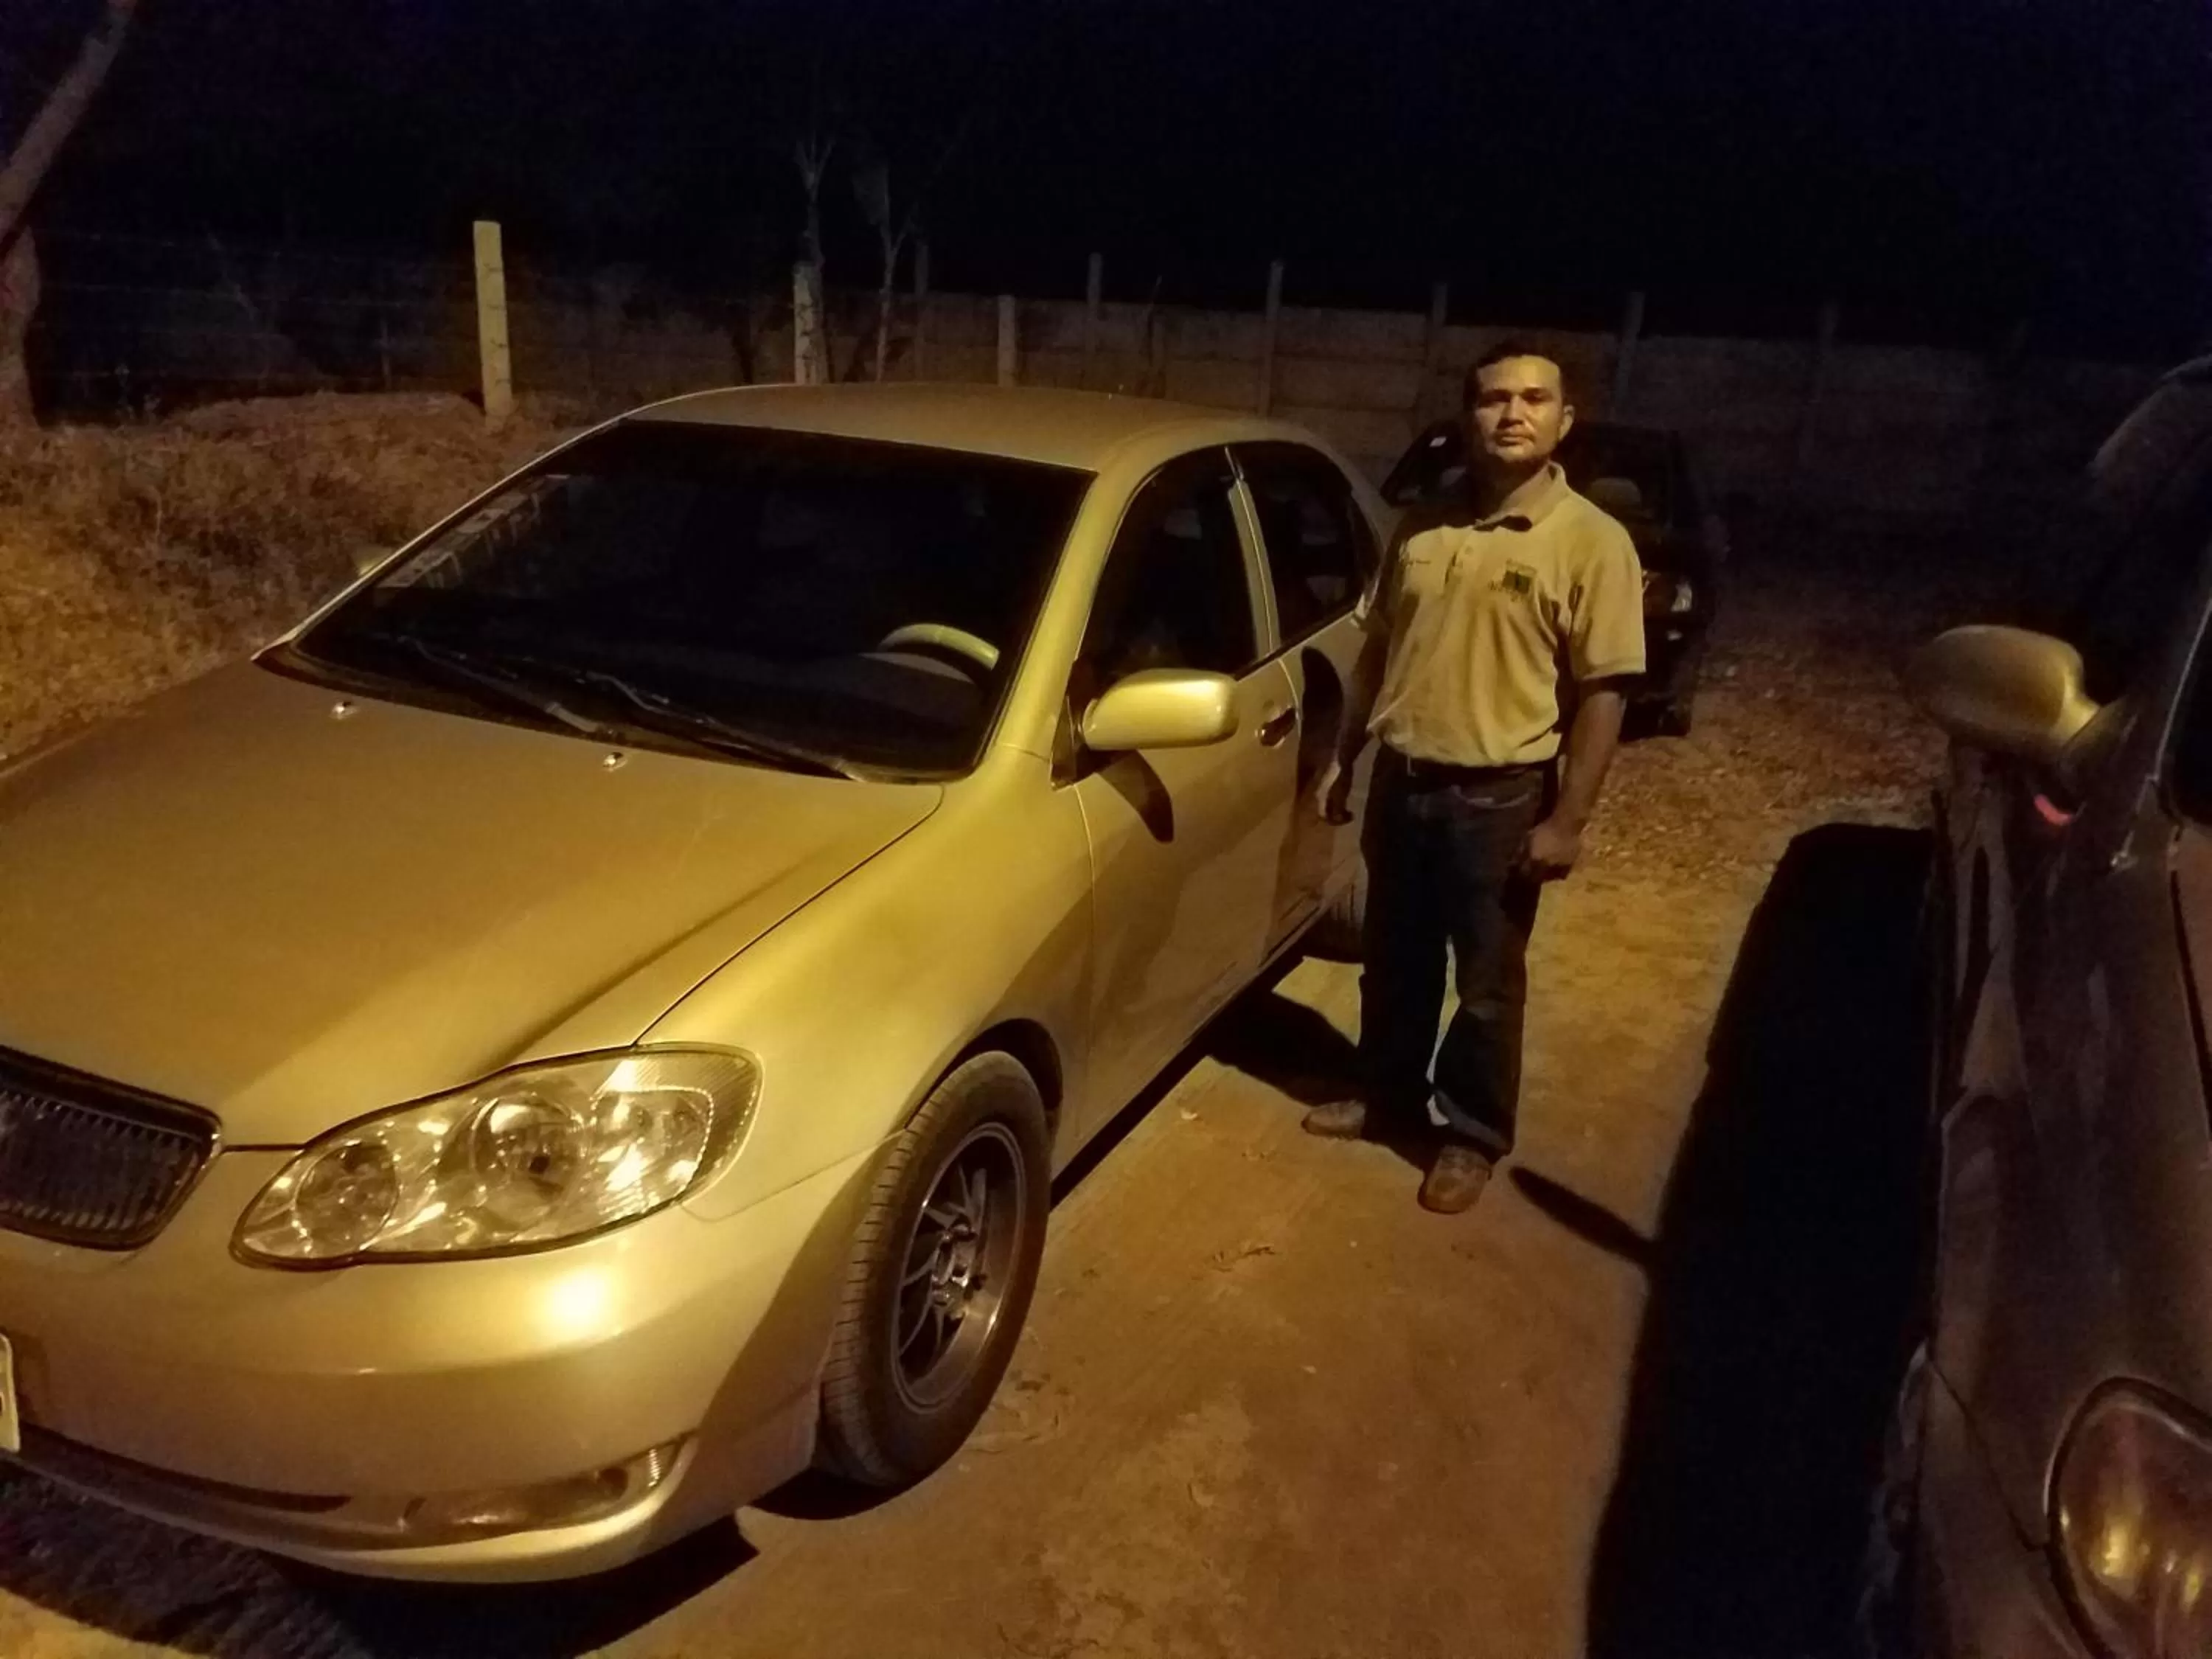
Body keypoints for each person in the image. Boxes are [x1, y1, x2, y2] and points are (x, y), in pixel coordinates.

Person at [1310, 343, 1646, 1214]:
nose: (1513, 414)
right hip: (1404, 781)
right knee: (1394, 960)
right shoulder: (1422, 527)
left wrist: (1568, 819)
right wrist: (1344, 757)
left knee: (1489, 984)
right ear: (1468, 416)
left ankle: (1471, 1133)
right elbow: (1378, 649)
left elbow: (1604, 692)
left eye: (1535, 399)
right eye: (1495, 399)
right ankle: (1385, 1093)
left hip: (1499, 798)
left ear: (1564, 421)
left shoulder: (1591, 543)